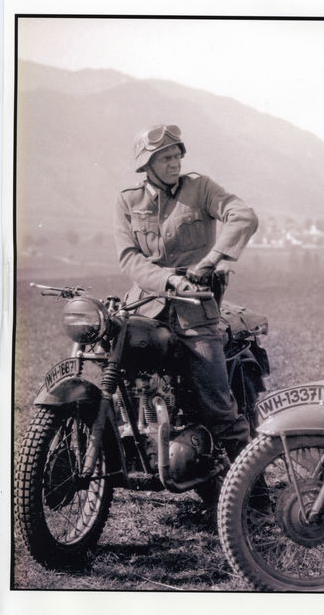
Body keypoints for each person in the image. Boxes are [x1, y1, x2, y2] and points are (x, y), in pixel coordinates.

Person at [113, 124, 258, 504]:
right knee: (112, 376)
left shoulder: (201, 188)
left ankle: (255, 497)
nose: (175, 162)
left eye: (177, 155)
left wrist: (210, 262)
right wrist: (167, 281)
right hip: (144, 306)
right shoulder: (128, 201)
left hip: (196, 313)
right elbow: (129, 258)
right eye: (166, 157)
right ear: (147, 164)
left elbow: (243, 216)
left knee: (217, 404)